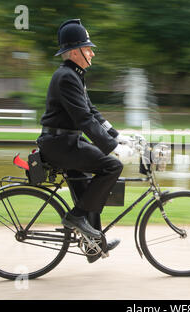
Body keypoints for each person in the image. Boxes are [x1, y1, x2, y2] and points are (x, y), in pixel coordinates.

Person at [36, 19, 134, 263]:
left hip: (64, 143)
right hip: (61, 144)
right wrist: (113, 150)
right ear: (74, 52)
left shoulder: (74, 75)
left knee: (86, 184)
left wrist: (117, 135)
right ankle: (75, 218)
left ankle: (93, 243)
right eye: (87, 48)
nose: (92, 52)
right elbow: (83, 120)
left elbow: (93, 113)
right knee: (111, 166)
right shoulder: (67, 77)